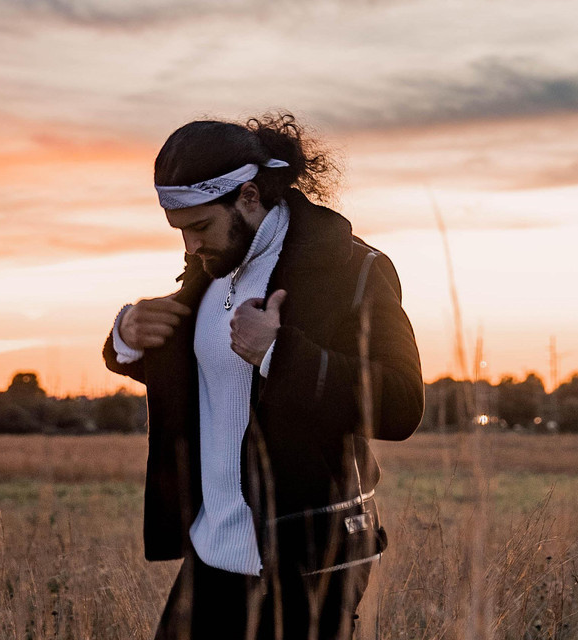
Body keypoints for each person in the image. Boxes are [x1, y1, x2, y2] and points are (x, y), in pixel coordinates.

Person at [103, 113, 423, 640]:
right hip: (210, 552)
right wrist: (127, 335)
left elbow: (402, 404)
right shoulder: (211, 267)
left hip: (310, 557)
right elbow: (205, 373)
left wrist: (277, 352)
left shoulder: (353, 269)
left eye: (200, 227)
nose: (190, 247)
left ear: (249, 196)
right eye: (181, 231)